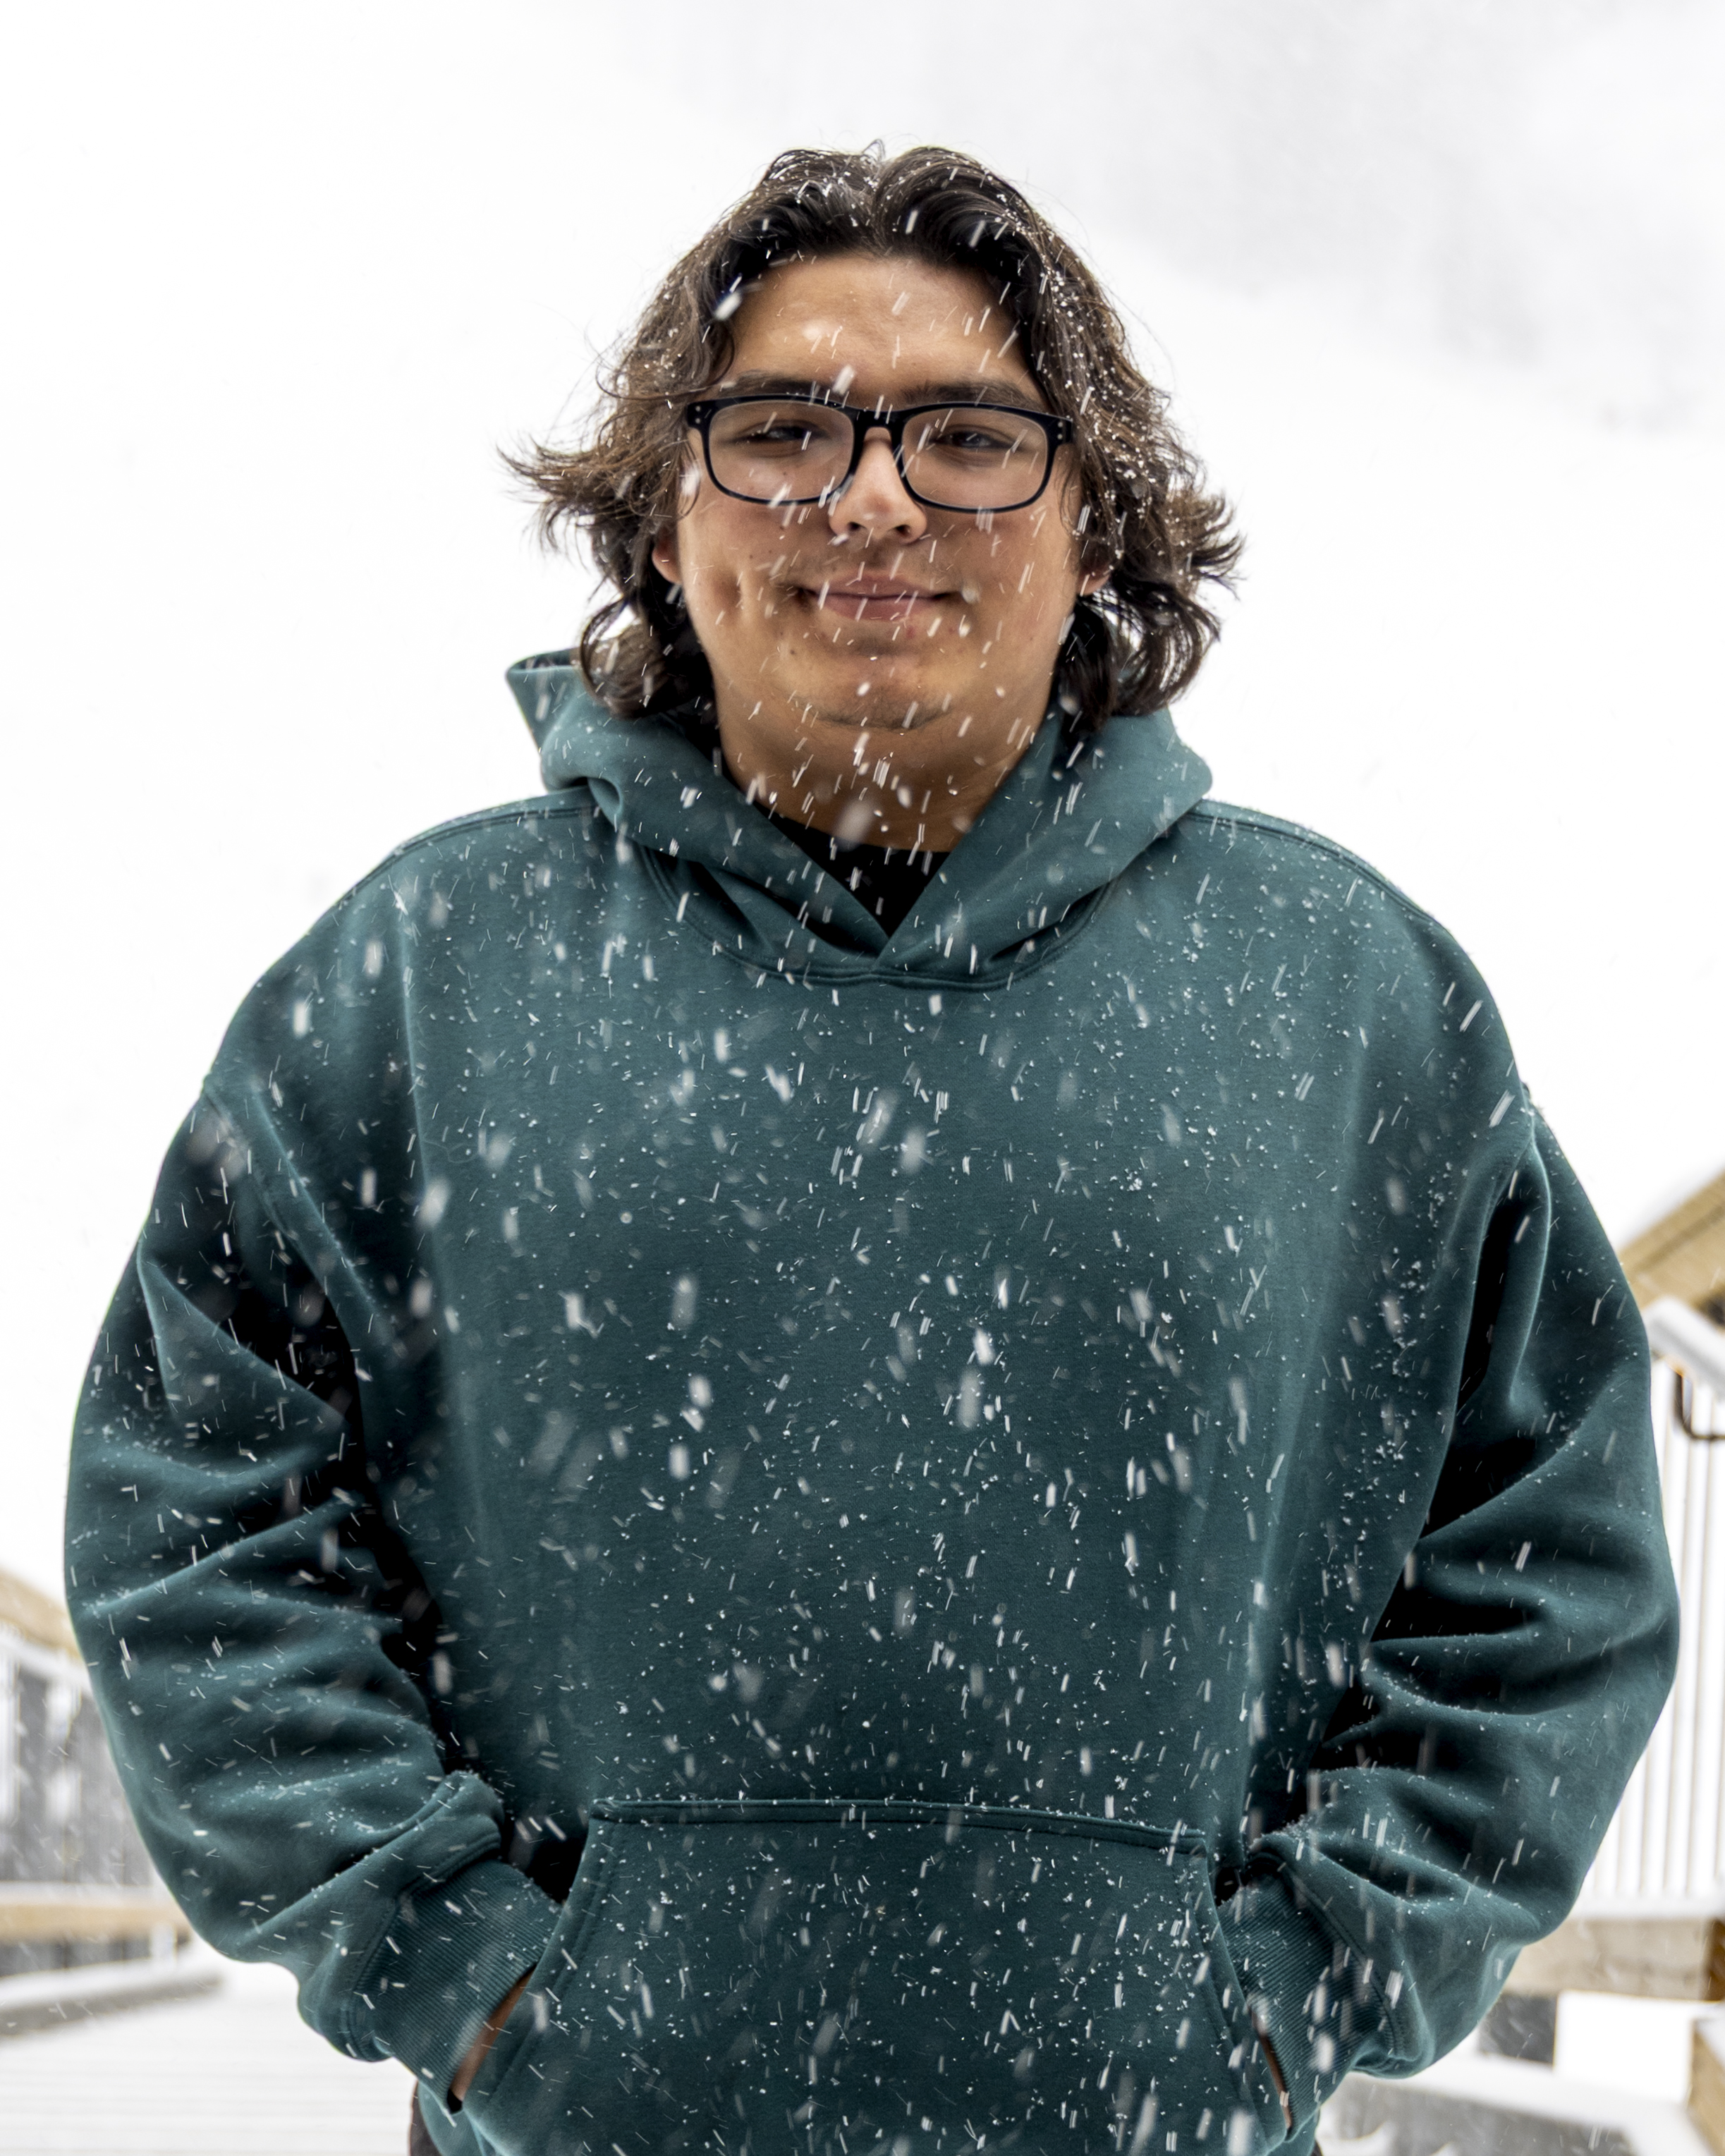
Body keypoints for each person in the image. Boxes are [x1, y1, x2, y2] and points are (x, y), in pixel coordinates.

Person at [66, 146, 1677, 2156]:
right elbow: (195, 1524)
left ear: (1096, 523)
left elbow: (1551, 1562)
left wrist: (1294, 1997)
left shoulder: (1349, 1003)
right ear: (663, 517)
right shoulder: (419, 978)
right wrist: (466, 1981)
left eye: (970, 437)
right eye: (782, 430)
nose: (875, 496)